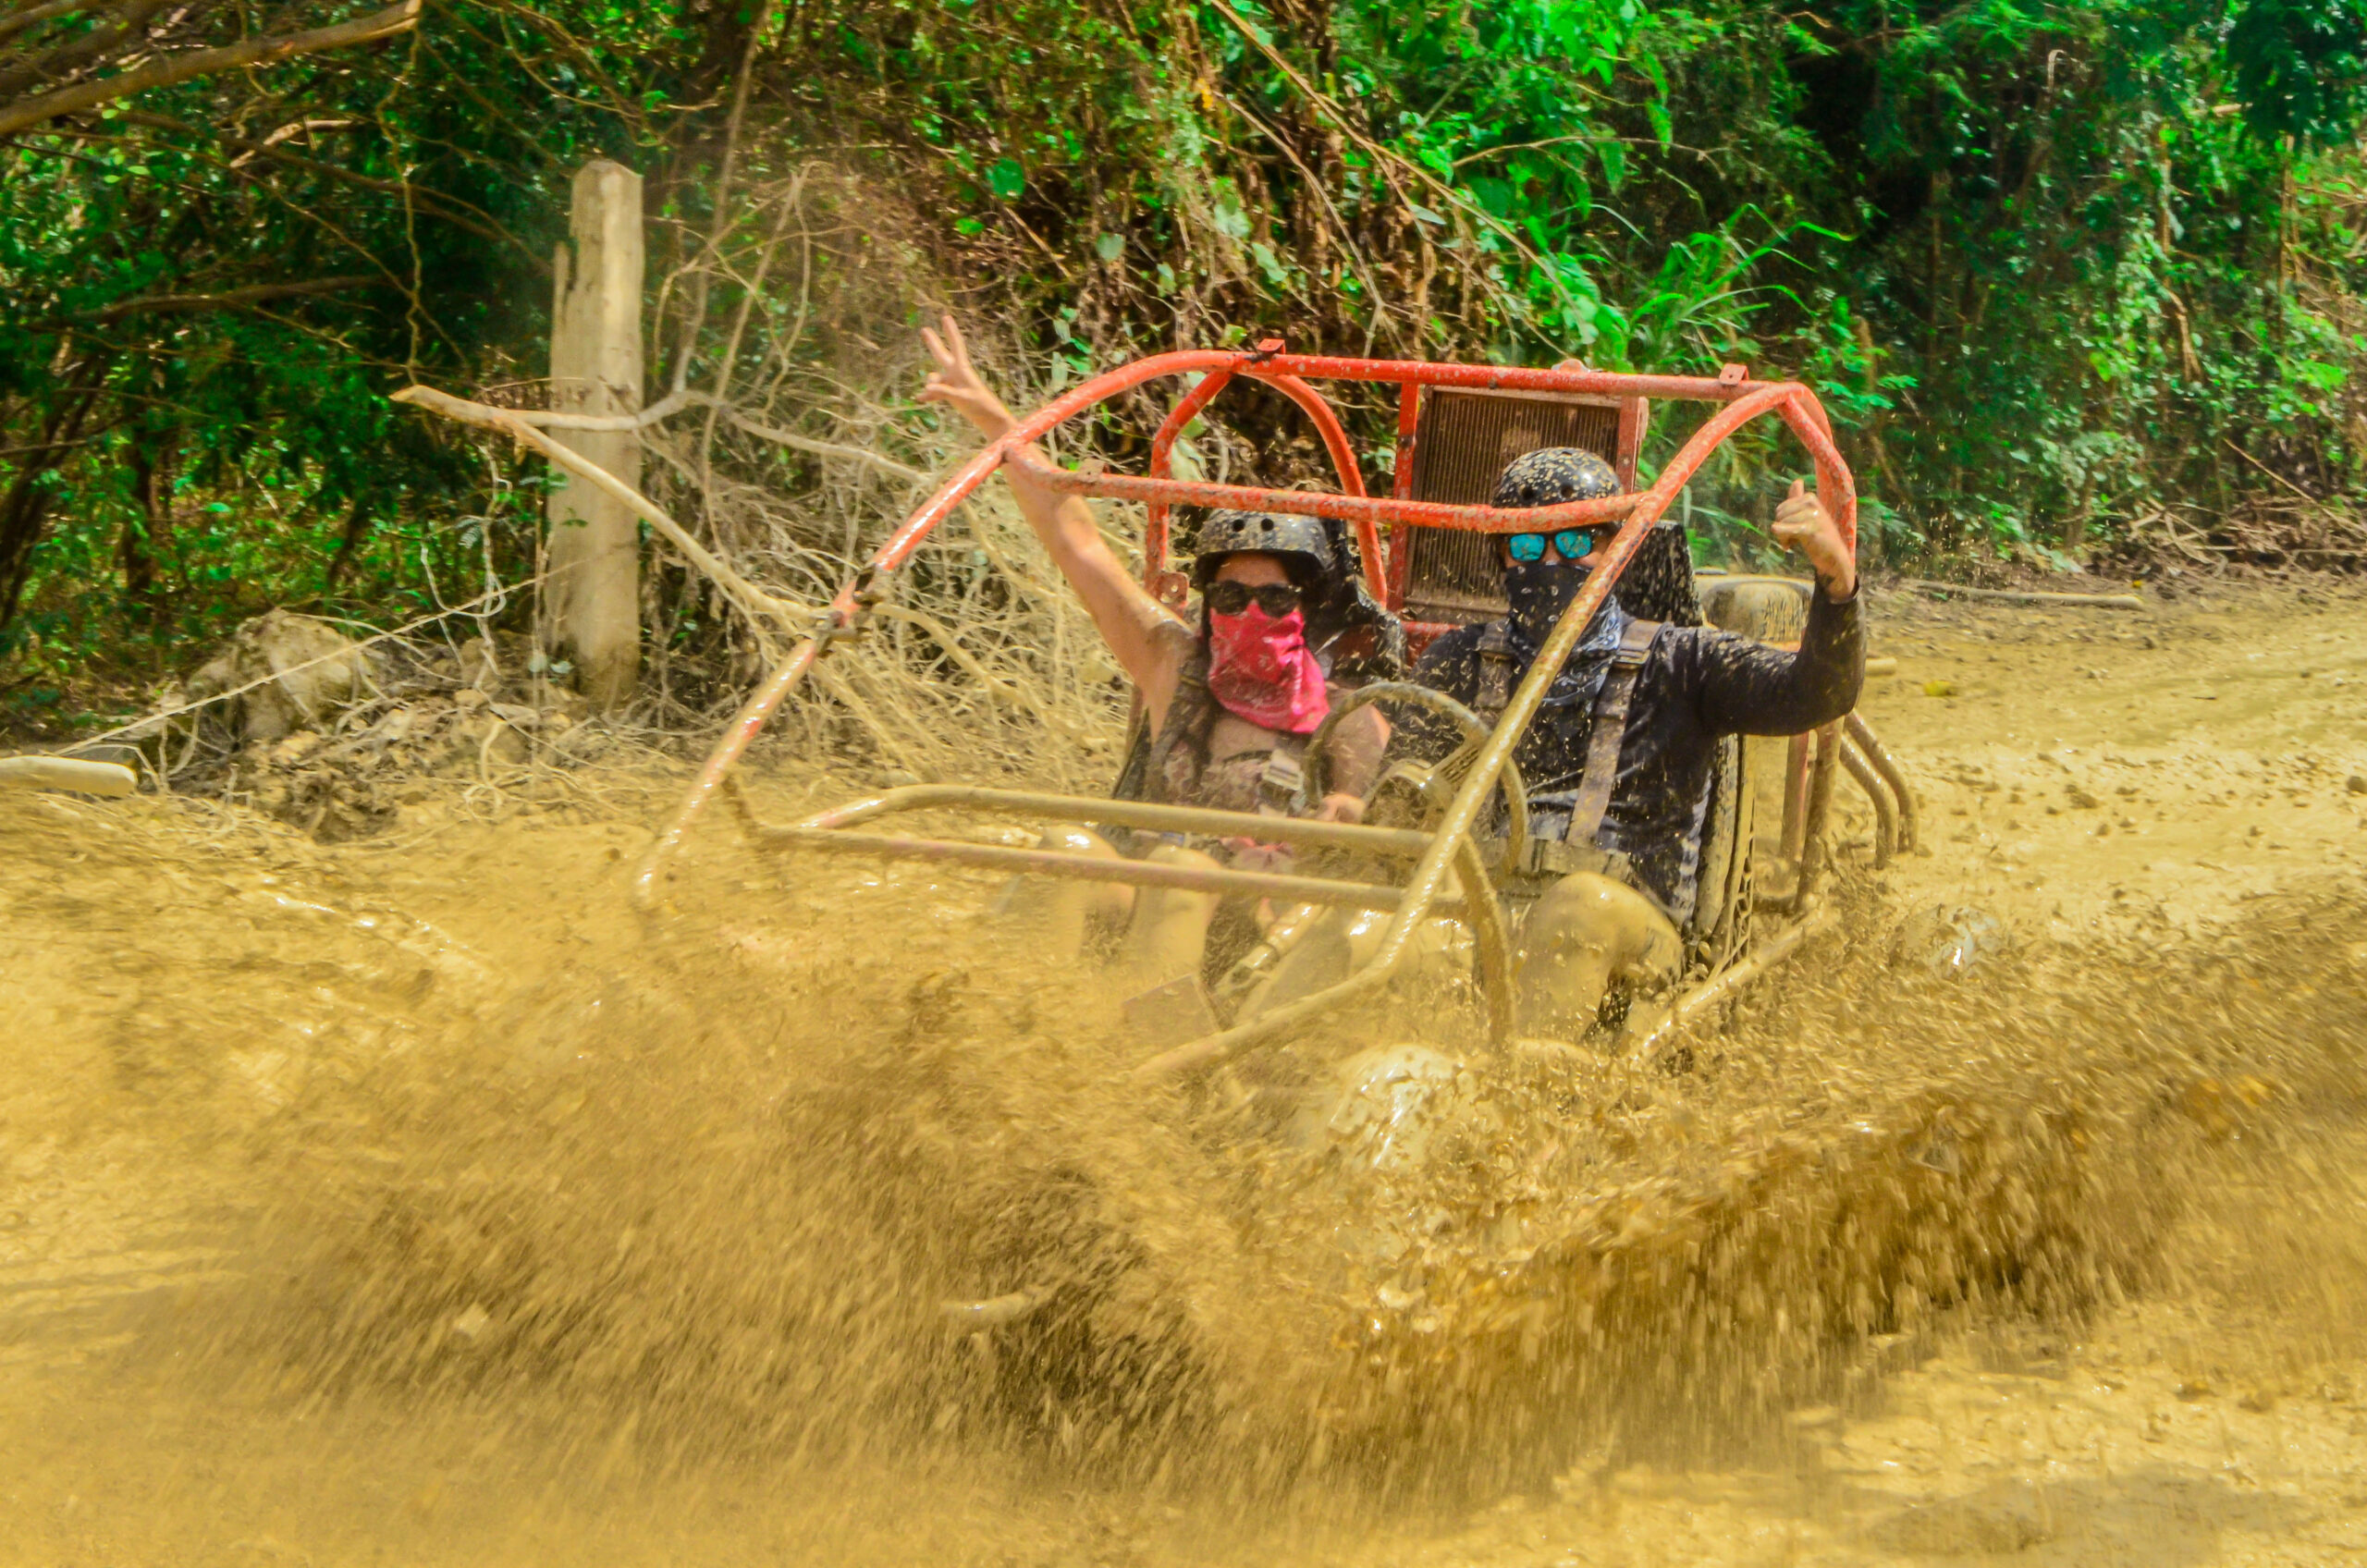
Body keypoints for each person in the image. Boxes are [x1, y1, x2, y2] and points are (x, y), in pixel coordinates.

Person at [919, 316, 1392, 990]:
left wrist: (1345, 817)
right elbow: (1076, 543)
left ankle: (1139, 1072)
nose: (1250, 617)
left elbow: (1373, 852)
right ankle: (992, 1029)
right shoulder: (1175, 665)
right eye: (1231, 600)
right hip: (1148, 888)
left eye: (1274, 602)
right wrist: (997, 422)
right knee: (1064, 850)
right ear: (1208, 604)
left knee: (1186, 875)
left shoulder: (1351, 717)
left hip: (1255, 934)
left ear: (1306, 610)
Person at [1392, 447, 1863, 1037]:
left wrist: (1835, 581)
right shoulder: (1457, 661)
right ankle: (1269, 1078)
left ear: (1617, 552)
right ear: (1501, 557)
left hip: (1630, 931)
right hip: (1481, 914)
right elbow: (1397, 803)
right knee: (1373, 919)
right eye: (1529, 546)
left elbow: (1817, 694)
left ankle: (1510, 1106)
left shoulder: (1683, 661)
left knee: (1579, 906)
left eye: (1574, 543)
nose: (1550, 564)